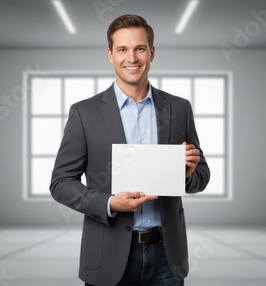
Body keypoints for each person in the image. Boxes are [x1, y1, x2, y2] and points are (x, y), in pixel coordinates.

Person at [50, 14, 210, 286]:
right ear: (110, 54)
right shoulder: (84, 113)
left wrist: (185, 174)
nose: (132, 58)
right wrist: (109, 203)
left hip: (167, 256)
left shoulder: (179, 108)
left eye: (140, 48)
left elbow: (200, 177)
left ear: (152, 52)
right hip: (108, 255)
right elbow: (61, 183)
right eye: (122, 49)